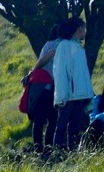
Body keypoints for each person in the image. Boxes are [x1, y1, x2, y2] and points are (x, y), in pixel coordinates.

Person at [52, 17, 94, 152]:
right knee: (62, 125)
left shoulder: (78, 48)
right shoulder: (64, 46)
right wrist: (61, 95)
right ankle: (56, 152)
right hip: (68, 95)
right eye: (84, 27)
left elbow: (83, 75)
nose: (85, 31)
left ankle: (73, 151)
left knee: (75, 126)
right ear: (79, 28)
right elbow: (60, 72)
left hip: (79, 95)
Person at [27, 24, 60, 153]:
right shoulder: (58, 45)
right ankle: (47, 147)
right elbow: (44, 61)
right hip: (51, 87)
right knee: (52, 119)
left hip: (42, 87)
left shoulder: (48, 44)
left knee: (40, 120)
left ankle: (38, 148)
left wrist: (32, 73)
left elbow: (41, 61)